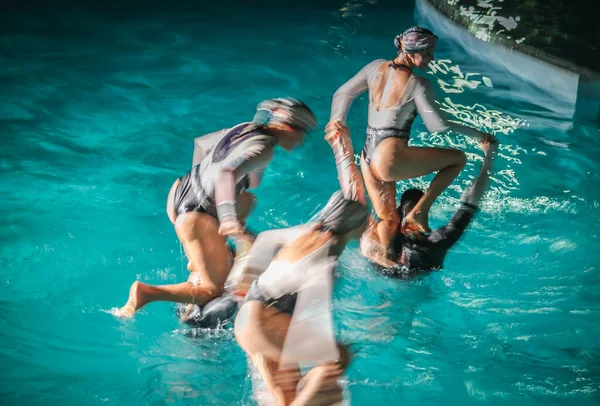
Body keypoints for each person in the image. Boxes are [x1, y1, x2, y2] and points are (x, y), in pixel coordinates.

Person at [115, 98, 318, 319]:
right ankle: (147, 293)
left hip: (179, 193)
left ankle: (201, 257)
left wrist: (204, 191)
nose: (301, 141)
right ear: (288, 127)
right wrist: (228, 220)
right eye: (302, 133)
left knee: (247, 199)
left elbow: (201, 144)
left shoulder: (242, 128)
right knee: (213, 291)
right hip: (196, 217)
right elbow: (227, 175)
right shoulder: (262, 149)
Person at [325, 26, 496, 266]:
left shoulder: (374, 68)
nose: (432, 58)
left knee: (388, 219)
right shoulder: (418, 84)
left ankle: (384, 259)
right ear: (414, 51)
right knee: (458, 159)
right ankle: (420, 210)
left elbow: (343, 93)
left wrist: (337, 121)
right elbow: (438, 126)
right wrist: (478, 135)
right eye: (428, 53)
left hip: (367, 156)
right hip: (389, 154)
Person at [232, 191, 368, 406]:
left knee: (286, 399)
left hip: (248, 319)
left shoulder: (308, 231)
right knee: (337, 358)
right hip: (264, 324)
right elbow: (311, 312)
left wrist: (249, 272)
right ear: (353, 225)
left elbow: (267, 237)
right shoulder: (327, 255)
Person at [387, 138, 497, 273]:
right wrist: (489, 158)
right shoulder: (438, 242)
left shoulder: (389, 232)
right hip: (418, 285)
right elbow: (470, 203)